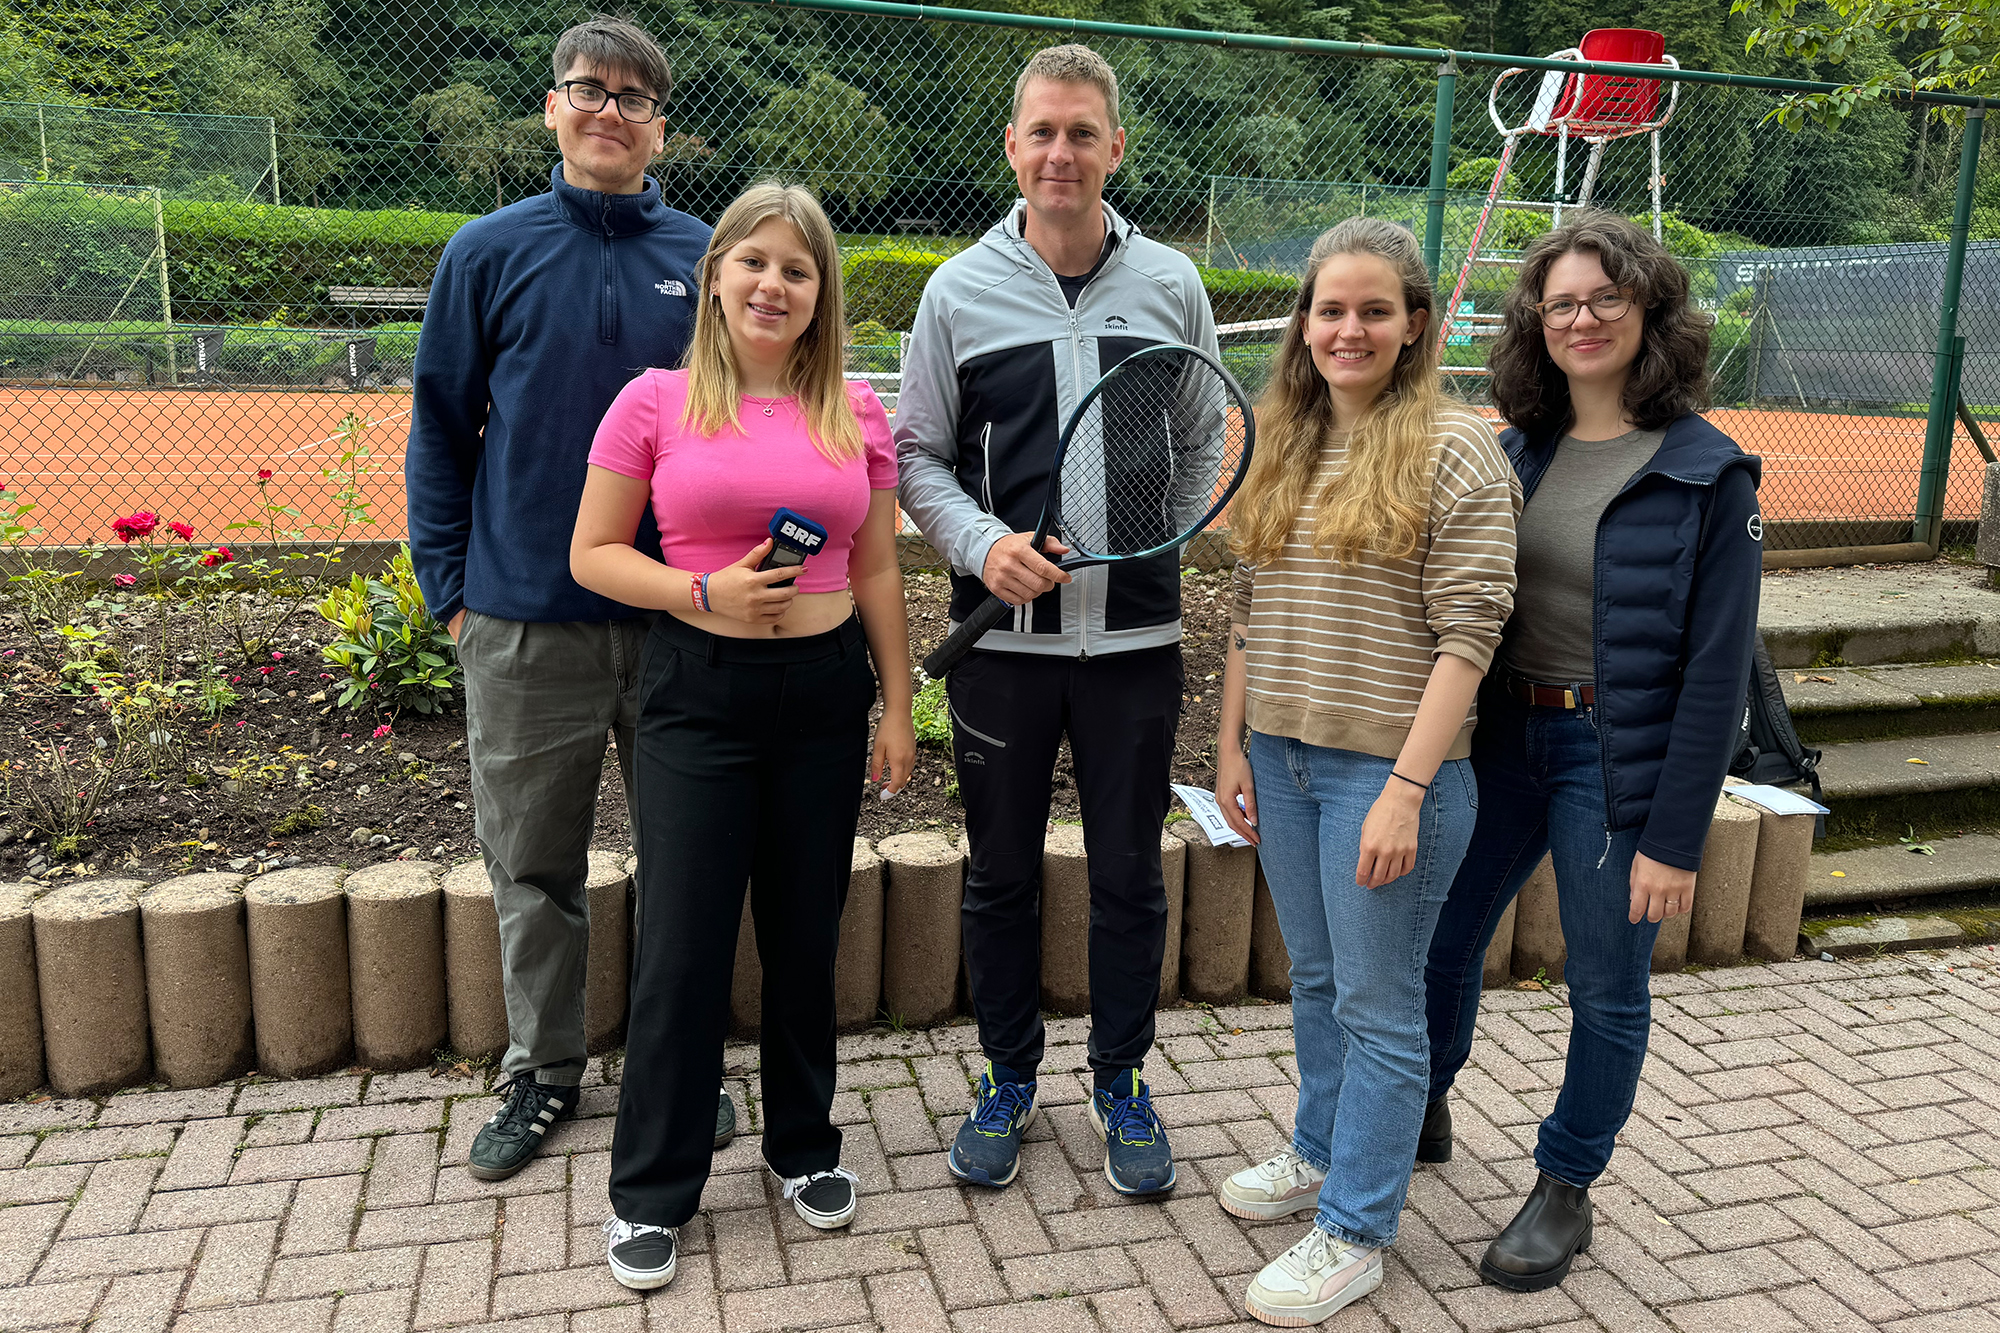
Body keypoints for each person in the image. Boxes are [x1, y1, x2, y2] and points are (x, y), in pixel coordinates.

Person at [405, 16, 738, 1181]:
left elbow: (742, 427)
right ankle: (542, 1069)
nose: (609, 111)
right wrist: (452, 595)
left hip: (678, 620)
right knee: (531, 865)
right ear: (551, 107)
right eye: (588, 90)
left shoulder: (709, 259)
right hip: (520, 625)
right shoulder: (484, 252)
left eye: (635, 98)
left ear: (661, 128)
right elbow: (441, 432)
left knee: (688, 859)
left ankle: (681, 1063)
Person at [572, 181, 916, 1291]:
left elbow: (872, 564)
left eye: (798, 270)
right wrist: (701, 591)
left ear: (821, 296)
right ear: (716, 274)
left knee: (805, 933)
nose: (774, 284)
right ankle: (653, 1189)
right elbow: (592, 554)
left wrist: (899, 704)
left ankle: (803, 1146)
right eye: (755, 263)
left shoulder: (855, 410)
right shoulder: (652, 401)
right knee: (681, 944)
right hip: (698, 693)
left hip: (821, 695)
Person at [895, 42, 1219, 1198]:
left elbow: (1200, 443)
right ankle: (1005, 1075)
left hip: (1134, 647)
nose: (1060, 152)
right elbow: (915, 455)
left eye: (1082, 132)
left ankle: (1120, 1078)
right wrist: (983, 546)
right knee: (998, 876)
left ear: (1113, 147)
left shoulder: (1171, 285)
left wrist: (1148, 546)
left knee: (1130, 873)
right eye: (1041, 131)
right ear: (1011, 146)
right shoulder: (954, 291)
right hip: (1003, 656)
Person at [1421, 211, 1763, 1292]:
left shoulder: (1709, 474)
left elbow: (1716, 675)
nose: (1580, 318)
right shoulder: (1513, 446)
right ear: (1534, 320)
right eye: (1559, 301)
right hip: (1500, 736)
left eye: (1604, 298)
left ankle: (1565, 1187)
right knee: (1435, 934)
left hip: (1608, 759)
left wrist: (1672, 836)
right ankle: (1417, 1096)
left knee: (1604, 986)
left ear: (1648, 311)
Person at [1208, 218, 1520, 1326]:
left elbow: (1468, 635)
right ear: (1303, 322)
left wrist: (1404, 787)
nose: (1347, 328)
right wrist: (1232, 743)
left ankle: (1353, 1227)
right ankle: (1316, 1148)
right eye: (1328, 309)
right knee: (1314, 982)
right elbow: (1246, 609)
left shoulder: (1452, 447)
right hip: (1285, 762)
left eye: (1372, 310)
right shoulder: (1278, 440)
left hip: (1387, 781)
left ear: (1414, 325)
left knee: (1384, 1010)